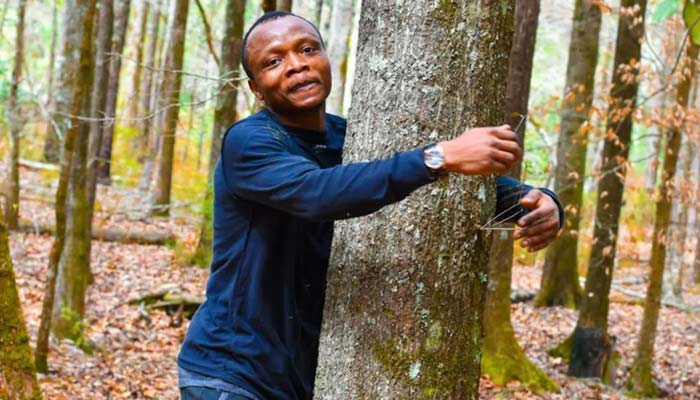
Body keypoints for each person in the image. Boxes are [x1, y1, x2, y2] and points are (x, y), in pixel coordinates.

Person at [178, 11, 564, 400]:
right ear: (256, 88)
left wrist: (537, 201)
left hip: (302, 378)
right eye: (274, 62)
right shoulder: (250, 142)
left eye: (308, 49)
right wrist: (438, 156)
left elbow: (417, 183)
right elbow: (319, 193)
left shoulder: (351, 135)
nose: (296, 65)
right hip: (232, 375)